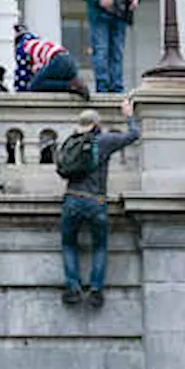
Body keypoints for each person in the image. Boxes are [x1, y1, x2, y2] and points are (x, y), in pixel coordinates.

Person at [58, 99, 140, 308]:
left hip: (72, 198)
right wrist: (129, 115)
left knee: (69, 244)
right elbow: (133, 135)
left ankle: (73, 287)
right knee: (99, 246)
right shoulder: (104, 141)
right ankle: (95, 290)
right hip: (96, 201)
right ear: (96, 124)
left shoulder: (70, 141)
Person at [13, 25, 89, 98]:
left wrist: (20, 92)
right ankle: (75, 85)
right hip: (70, 61)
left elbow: (22, 73)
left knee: (35, 85)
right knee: (48, 83)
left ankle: (71, 85)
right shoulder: (38, 42)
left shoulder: (22, 46)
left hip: (57, 60)